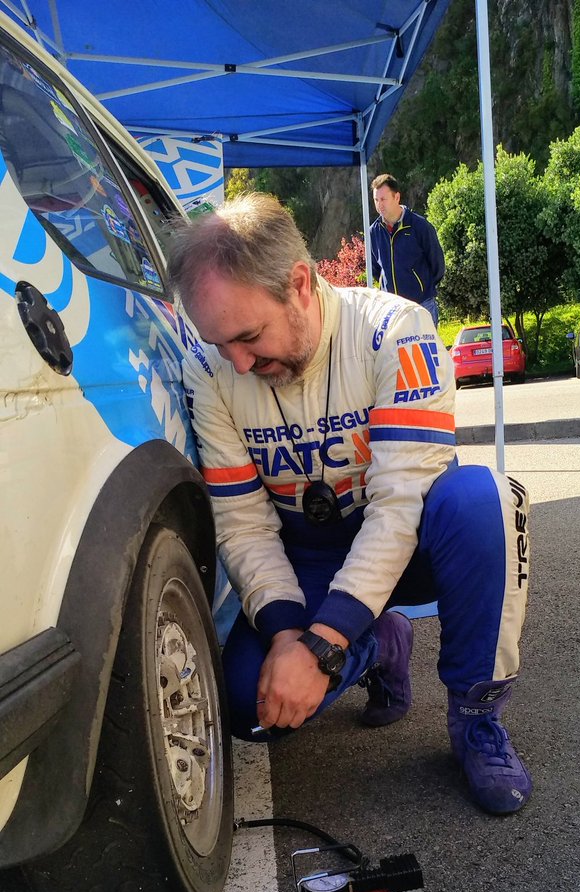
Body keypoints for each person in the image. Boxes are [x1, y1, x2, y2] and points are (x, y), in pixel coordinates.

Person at [168, 193, 533, 815]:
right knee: (245, 708)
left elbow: (399, 506)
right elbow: (242, 523)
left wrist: (322, 645)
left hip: (411, 539)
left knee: (486, 501)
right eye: (220, 344)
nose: (239, 363)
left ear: (301, 284)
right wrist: (290, 641)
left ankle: (476, 719)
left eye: (250, 337)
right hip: (308, 556)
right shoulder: (213, 370)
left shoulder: (398, 329)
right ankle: (380, 643)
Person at [370, 172, 445, 328]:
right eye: (376, 200)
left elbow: (437, 264)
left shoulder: (420, 226)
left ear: (397, 197)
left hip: (422, 306)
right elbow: (376, 270)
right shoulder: (373, 232)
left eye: (383, 199)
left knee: (426, 353)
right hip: (392, 311)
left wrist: (422, 287)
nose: (379, 205)